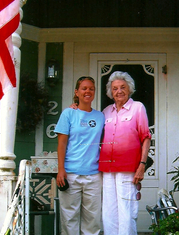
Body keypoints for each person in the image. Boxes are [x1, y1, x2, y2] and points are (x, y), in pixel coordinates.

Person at [99, 71, 151, 235]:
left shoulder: (137, 108)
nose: (119, 91)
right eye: (115, 88)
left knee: (127, 211)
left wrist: (142, 165)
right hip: (107, 170)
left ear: (129, 89)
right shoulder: (106, 111)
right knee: (109, 214)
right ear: (110, 92)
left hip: (129, 169)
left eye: (122, 87)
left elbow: (145, 138)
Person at [54, 76, 105, 235]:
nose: (88, 91)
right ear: (77, 92)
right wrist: (61, 169)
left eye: (91, 88)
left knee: (92, 219)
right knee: (69, 218)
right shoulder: (68, 113)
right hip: (71, 173)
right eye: (84, 88)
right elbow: (61, 144)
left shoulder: (101, 116)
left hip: (94, 175)